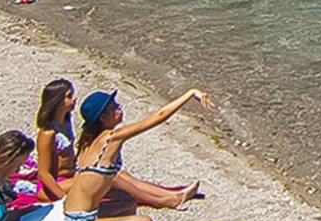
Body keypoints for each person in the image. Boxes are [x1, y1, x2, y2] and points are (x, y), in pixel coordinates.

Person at [62, 88, 211, 221]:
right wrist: (190, 93)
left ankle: (169, 200)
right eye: (114, 107)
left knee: (128, 203)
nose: (120, 107)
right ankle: (170, 201)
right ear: (103, 118)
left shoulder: (88, 143)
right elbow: (159, 116)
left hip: (68, 214)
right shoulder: (111, 138)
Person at [31, 78, 200, 212]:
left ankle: (171, 193)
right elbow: (44, 174)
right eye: (69, 96)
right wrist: (63, 200)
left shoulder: (66, 121)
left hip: (71, 177)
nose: (74, 99)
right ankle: (166, 200)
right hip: (54, 186)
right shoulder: (48, 134)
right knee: (114, 177)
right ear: (57, 101)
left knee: (122, 175)